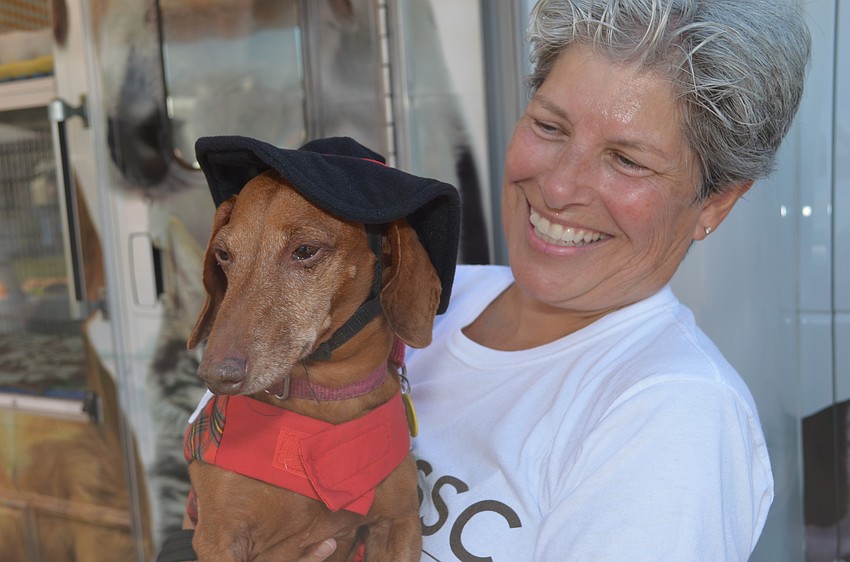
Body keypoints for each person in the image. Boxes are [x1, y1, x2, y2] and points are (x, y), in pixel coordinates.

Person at [167, 0, 811, 560]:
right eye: (549, 126)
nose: (558, 187)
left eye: (626, 159)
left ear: (715, 203)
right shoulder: (410, 299)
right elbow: (199, 511)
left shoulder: (671, 413)